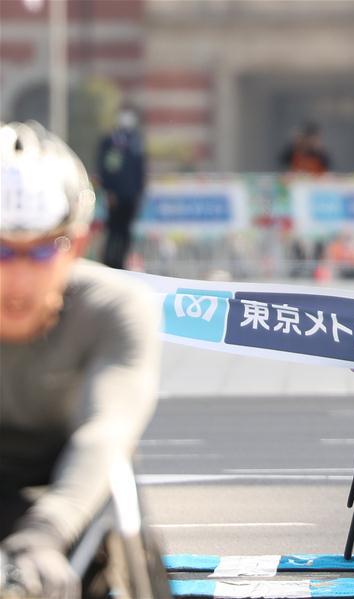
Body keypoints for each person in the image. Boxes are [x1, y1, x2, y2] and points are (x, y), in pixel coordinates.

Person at [0, 121, 161, 598]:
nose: (21, 278)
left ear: (79, 244)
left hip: (72, 497)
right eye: (3, 252)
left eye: (45, 250)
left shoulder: (115, 307)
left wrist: (43, 534)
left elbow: (107, 430)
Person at [97, 106, 146, 270]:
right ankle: (109, 262)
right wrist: (108, 190)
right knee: (113, 230)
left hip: (131, 196)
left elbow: (140, 169)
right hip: (115, 195)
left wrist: (139, 193)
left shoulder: (136, 140)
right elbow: (105, 169)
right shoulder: (110, 141)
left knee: (126, 231)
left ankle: (122, 262)